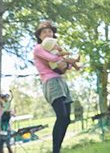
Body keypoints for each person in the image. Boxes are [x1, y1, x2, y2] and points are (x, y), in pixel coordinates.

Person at [33, 20, 79, 153]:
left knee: (67, 119)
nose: (48, 33)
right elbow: (53, 59)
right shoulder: (38, 48)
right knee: (61, 116)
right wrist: (62, 56)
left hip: (61, 82)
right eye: (44, 32)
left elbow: (64, 67)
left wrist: (69, 63)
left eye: (50, 31)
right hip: (51, 82)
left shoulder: (54, 49)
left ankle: (58, 149)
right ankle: (55, 150)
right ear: (39, 36)